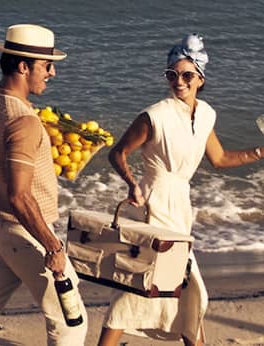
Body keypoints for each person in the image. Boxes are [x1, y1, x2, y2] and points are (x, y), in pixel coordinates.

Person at [99, 34, 264, 346]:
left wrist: (259, 152)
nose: (179, 81)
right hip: (153, 204)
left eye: (187, 75)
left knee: (181, 286)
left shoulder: (205, 114)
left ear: (200, 79)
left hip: (180, 206)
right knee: (141, 284)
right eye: (172, 75)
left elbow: (220, 158)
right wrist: (133, 185)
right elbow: (116, 153)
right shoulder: (154, 116)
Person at [0, 23, 84, 346]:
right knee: (70, 323)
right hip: (25, 235)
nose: (52, 73)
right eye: (47, 66)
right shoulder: (24, 121)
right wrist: (53, 246)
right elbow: (20, 196)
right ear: (24, 66)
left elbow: (5, 155)